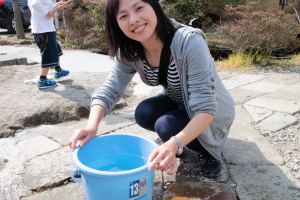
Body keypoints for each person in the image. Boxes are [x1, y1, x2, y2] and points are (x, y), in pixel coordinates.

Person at [68, 0, 235, 178]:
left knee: (166, 126)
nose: (133, 20)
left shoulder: (189, 41)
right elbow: (111, 88)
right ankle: (181, 139)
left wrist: (173, 143)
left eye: (139, 8)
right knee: (144, 112)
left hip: (213, 112)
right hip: (180, 102)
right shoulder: (130, 49)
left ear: (154, 6)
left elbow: (205, 107)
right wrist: (92, 126)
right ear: (116, 23)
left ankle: (207, 150)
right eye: (123, 16)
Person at [28, 0, 70, 89]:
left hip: (43, 29)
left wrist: (55, 6)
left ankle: (58, 70)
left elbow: (42, 5)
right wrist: (47, 13)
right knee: (48, 53)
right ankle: (42, 80)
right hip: (44, 30)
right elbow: (35, 4)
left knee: (55, 49)